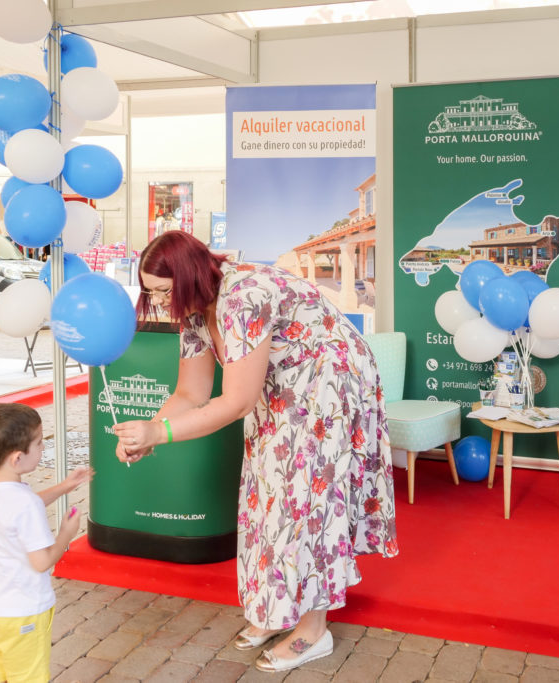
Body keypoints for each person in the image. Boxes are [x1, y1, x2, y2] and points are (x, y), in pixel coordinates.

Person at [112, 231, 398, 673]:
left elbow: (238, 402)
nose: (162, 302)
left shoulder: (243, 296)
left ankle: (312, 629)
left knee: (306, 500)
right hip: (280, 386)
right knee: (266, 495)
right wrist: (148, 433)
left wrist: (160, 434)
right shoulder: (193, 310)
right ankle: (276, 608)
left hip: (328, 381)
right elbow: (190, 392)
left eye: (165, 291)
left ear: (189, 278)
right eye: (152, 293)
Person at [0, 403, 94, 683]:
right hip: (23, 613)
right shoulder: (23, 503)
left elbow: (21, 510)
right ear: (17, 458)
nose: (42, 449)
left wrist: (65, 486)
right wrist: (66, 532)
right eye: (39, 444)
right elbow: (41, 562)